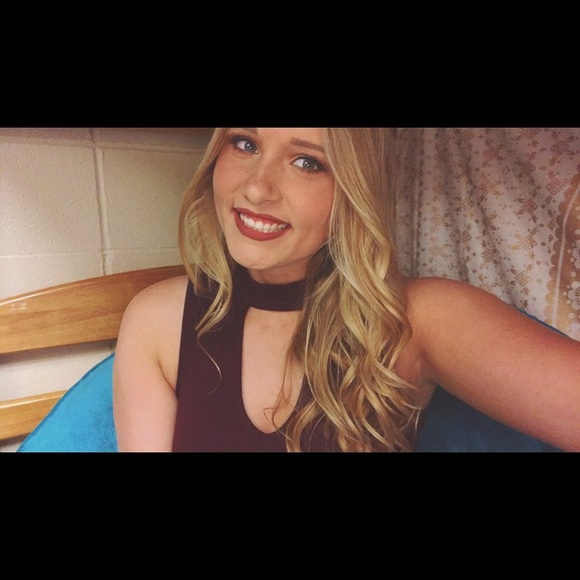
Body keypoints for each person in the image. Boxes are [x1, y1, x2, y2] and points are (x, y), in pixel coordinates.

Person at [112, 128, 580, 452]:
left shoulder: (416, 317)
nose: (257, 188)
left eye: (306, 162)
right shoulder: (157, 320)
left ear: (355, 189)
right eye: (245, 143)